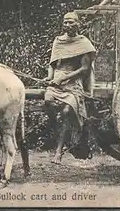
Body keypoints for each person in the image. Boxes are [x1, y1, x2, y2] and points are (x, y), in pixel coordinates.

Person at [41, 12, 97, 164]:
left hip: (74, 82)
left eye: (71, 22)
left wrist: (64, 78)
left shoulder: (83, 43)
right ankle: (61, 131)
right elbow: (52, 64)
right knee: (47, 101)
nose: (68, 25)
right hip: (57, 81)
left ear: (78, 24)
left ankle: (59, 151)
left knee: (66, 111)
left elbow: (84, 69)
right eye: (65, 22)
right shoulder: (58, 41)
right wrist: (50, 76)